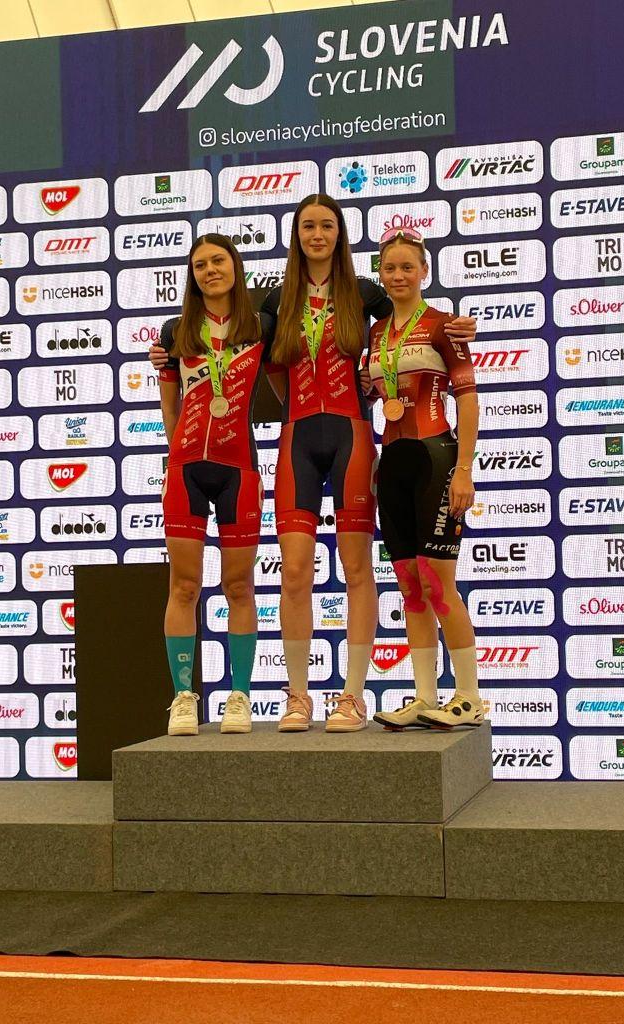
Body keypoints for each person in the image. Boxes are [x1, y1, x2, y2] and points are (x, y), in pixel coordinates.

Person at [151, 196, 476, 733]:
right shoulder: (274, 301)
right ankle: (297, 696)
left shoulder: (365, 292)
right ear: (296, 235)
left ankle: (352, 695)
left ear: (339, 233)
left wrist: (457, 328)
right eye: (308, 226)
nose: (317, 234)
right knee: (296, 571)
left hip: (353, 436)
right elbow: (236, 352)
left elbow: (408, 318)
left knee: (357, 570)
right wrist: (163, 353)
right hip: (296, 439)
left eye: (327, 225)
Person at [366, 226, 485, 730]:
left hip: (437, 458)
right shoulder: (375, 334)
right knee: (410, 585)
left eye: (407, 267)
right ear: (380, 273)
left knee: (438, 583)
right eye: (389, 267)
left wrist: (465, 470)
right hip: (392, 462)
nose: (398, 275)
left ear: (424, 272)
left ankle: (470, 697)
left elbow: (468, 400)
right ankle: (424, 696)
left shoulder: (443, 326)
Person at [159, 234, 270, 737]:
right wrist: (174, 453)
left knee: (238, 585)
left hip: (239, 468)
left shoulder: (261, 326)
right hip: (186, 469)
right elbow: (169, 403)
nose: (209, 270)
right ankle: (183, 696)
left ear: (235, 266)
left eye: (218, 260)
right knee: (184, 586)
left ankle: (240, 695)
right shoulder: (176, 330)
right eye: (200, 265)